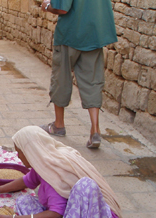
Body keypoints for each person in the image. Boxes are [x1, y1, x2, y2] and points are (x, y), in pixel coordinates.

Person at [40, 0, 117, 149]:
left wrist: (47, 6)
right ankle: (95, 130)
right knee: (93, 81)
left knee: (61, 79)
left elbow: (62, 9)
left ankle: (59, 125)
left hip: (70, 34)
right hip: (94, 35)